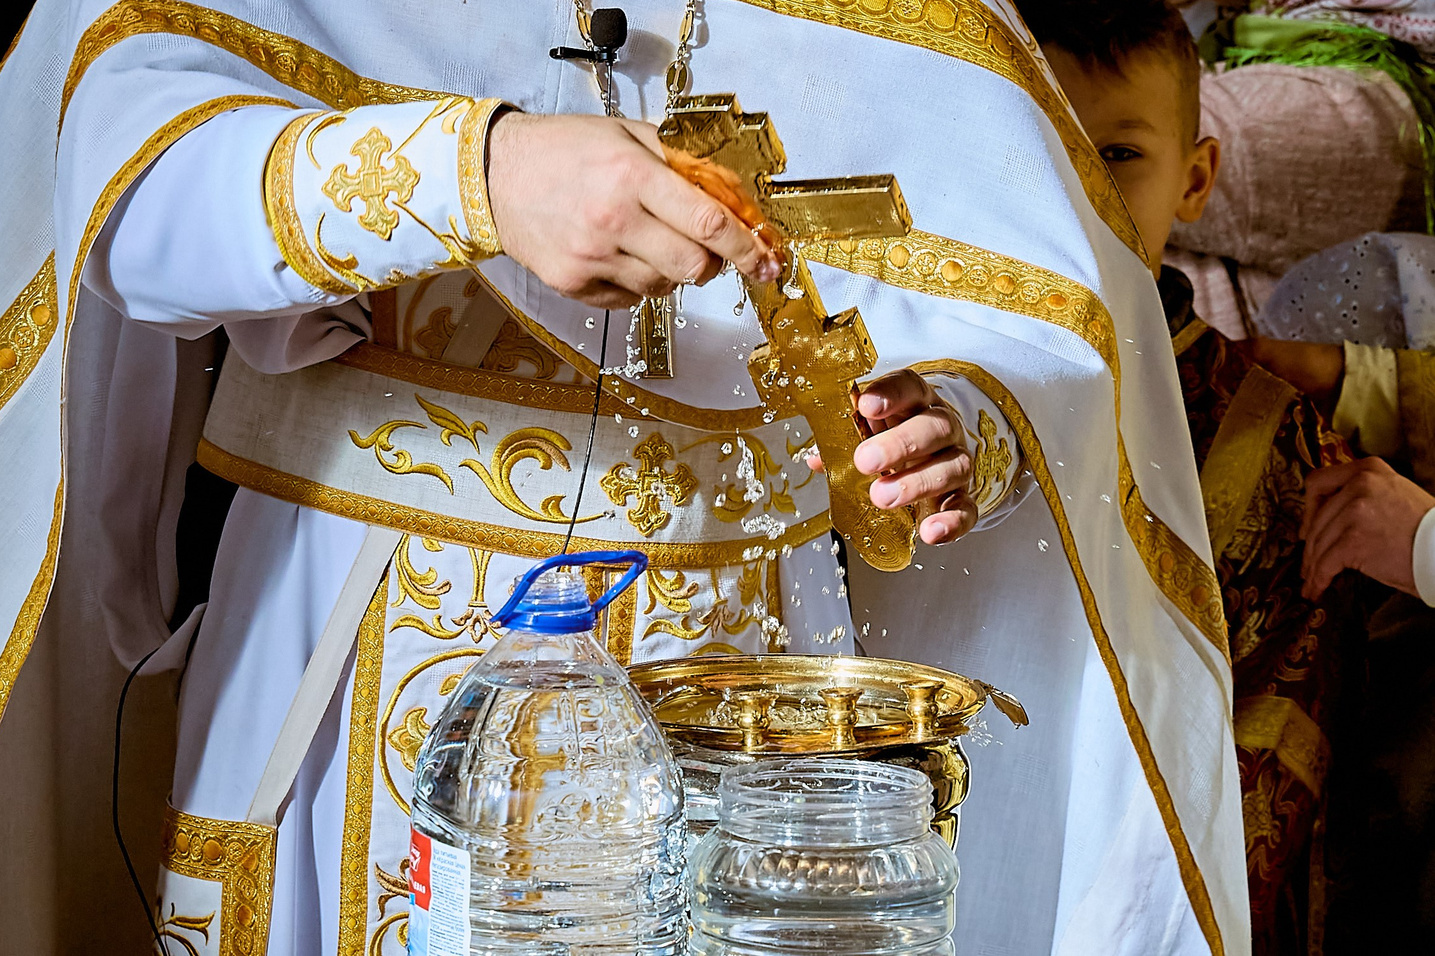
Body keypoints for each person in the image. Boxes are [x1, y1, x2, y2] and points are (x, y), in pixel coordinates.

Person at [0, 1, 1247, 954]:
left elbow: (1046, 310)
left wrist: (968, 416)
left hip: (767, 665)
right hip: (371, 622)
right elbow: (115, 186)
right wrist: (476, 174)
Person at [1020, 0, 1364, 950]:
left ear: (1195, 176)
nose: (1076, 192)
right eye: (1040, 146)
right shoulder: (907, 399)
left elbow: (1267, 761)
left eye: (1118, 156)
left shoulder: (1278, 449)